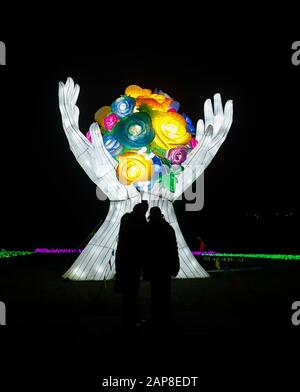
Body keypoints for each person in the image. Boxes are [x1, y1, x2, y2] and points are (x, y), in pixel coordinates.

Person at [143, 207, 180, 334]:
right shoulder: (168, 229)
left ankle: (157, 319)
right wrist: (175, 265)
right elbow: (174, 248)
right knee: (164, 294)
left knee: (156, 294)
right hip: (164, 268)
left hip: (155, 268)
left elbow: (145, 250)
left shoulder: (148, 229)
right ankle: (165, 320)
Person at [114, 201, 148, 332]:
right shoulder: (132, 220)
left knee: (130, 293)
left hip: (127, 260)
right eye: (143, 211)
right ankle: (130, 320)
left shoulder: (127, 219)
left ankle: (130, 318)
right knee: (130, 292)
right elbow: (142, 233)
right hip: (130, 261)